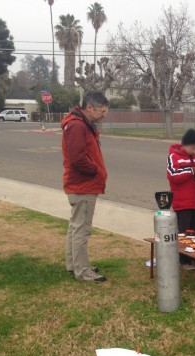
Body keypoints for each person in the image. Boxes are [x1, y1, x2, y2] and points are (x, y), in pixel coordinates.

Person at [61, 91, 109, 282]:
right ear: (90, 108)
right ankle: (82, 270)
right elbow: (77, 158)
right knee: (82, 229)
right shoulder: (77, 126)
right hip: (83, 186)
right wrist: (96, 171)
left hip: (80, 185)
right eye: (102, 111)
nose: (104, 115)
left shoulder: (82, 125)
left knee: (75, 227)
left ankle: (74, 264)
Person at [166, 129, 195, 270]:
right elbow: (173, 175)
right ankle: (184, 259)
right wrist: (192, 171)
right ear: (184, 144)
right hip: (181, 202)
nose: (193, 150)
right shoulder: (173, 157)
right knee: (184, 233)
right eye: (191, 147)